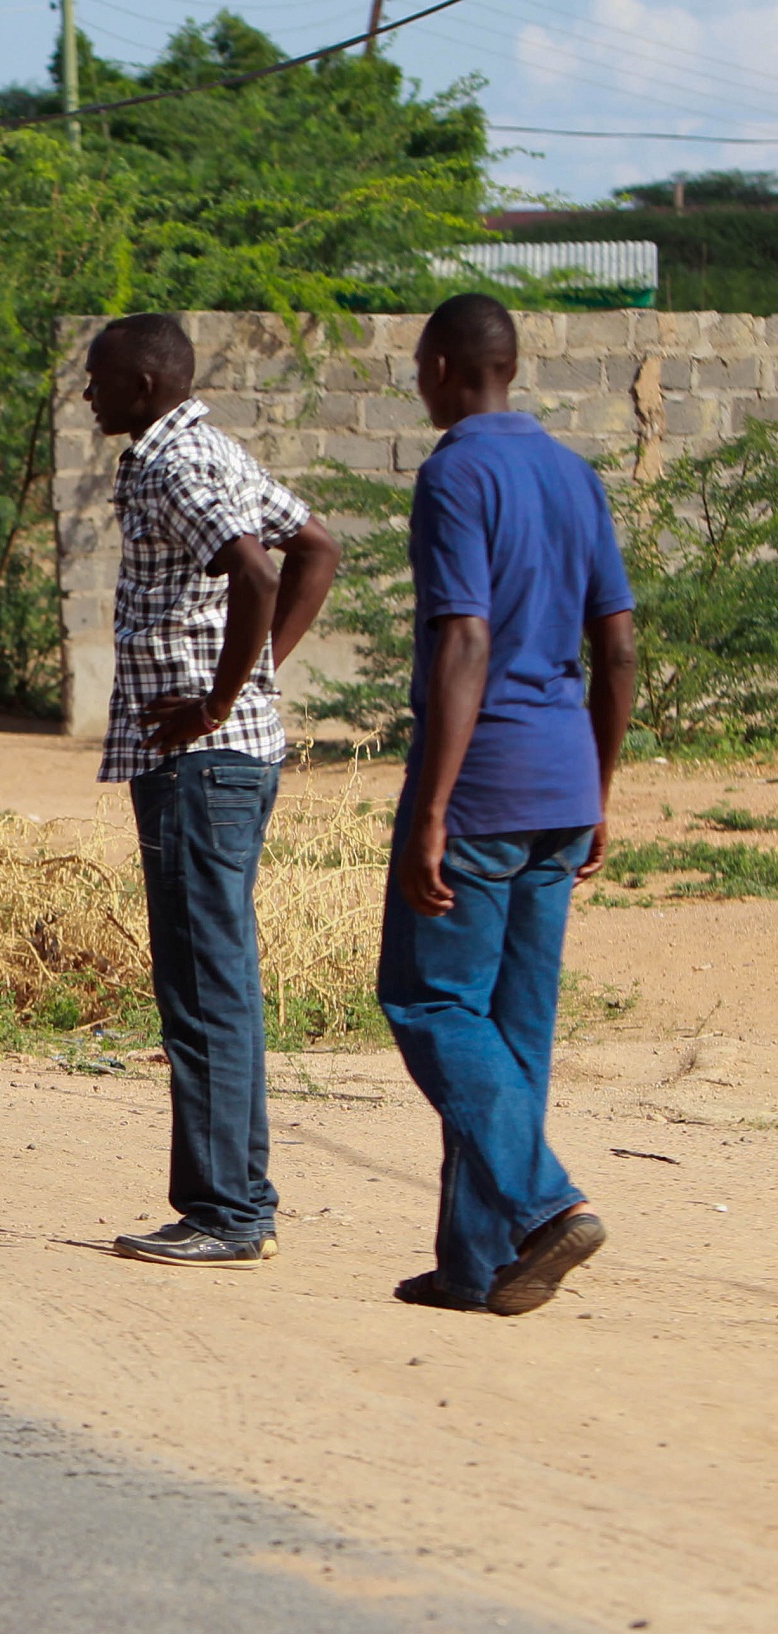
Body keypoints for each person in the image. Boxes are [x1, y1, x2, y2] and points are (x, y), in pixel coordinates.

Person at [380, 293, 634, 1315]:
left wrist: (432, 810)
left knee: (431, 1000)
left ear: (443, 367)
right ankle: (477, 1263)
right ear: (511, 366)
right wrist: (600, 790)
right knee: (510, 1031)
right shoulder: (575, 476)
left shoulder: (455, 471)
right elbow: (615, 645)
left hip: (482, 785)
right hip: (564, 779)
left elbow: (466, 641)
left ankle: (541, 1203)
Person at [82, 313, 343, 1267]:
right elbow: (317, 545)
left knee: (204, 984)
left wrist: (219, 701)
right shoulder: (208, 446)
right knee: (212, 978)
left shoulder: (173, 464)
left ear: (144, 385)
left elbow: (262, 572)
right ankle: (237, 1202)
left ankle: (227, 1212)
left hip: (202, 764)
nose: (87, 392)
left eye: (99, 377)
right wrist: (253, 688)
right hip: (219, 757)